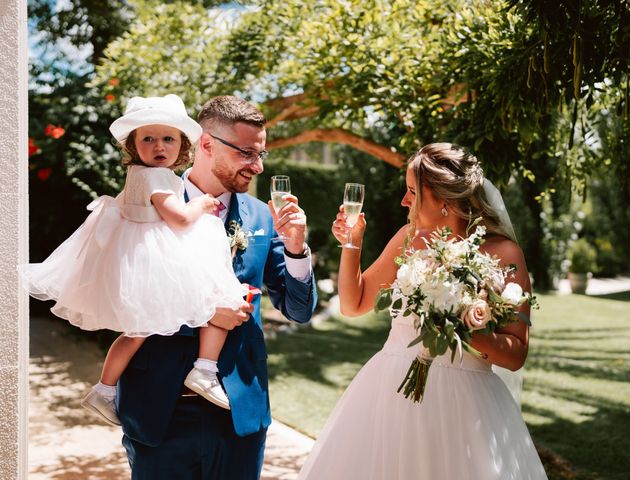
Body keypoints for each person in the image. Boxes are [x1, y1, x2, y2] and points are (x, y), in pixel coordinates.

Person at [298, 143, 547, 480]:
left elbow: (515, 354)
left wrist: (461, 325)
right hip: (391, 390)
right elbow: (353, 304)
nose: (403, 201)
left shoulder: (504, 252)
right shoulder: (408, 238)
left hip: (466, 408)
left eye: (412, 192)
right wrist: (352, 242)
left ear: (445, 200)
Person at [117, 95, 318, 479]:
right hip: (159, 410)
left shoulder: (262, 216)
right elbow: (124, 298)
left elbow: (298, 311)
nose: (257, 165)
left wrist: (295, 249)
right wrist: (205, 312)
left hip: (238, 414)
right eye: (246, 152)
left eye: (261, 153)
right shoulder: (145, 203)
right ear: (207, 144)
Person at [19, 94, 249, 425]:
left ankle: (105, 389)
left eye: (168, 138)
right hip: (152, 256)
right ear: (134, 145)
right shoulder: (153, 176)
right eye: (148, 138)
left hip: (142, 254)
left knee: (136, 332)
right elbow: (180, 219)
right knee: (218, 293)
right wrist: (202, 205)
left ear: (182, 144)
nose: (159, 146)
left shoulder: (148, 175)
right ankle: (204, 367)